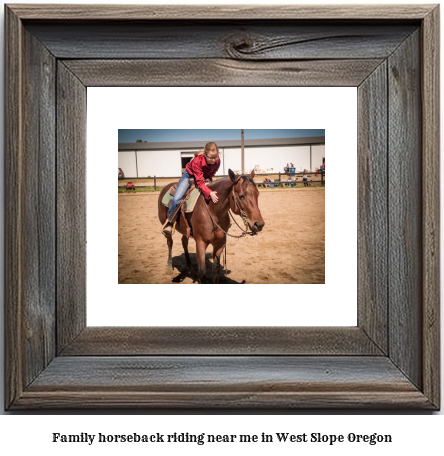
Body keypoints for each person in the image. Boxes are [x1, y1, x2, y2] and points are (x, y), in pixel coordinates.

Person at [163, 142, 220, 234]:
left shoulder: (217, 160)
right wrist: (209, 192)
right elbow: (200, 183)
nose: (213, 160)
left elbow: (213, 172)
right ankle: (170, 221)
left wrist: (209, 179)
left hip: (204, 176)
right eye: (211, 157)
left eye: (215, 157)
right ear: (205, 154)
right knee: (177, 198)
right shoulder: (197, 161)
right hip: (189, 175)